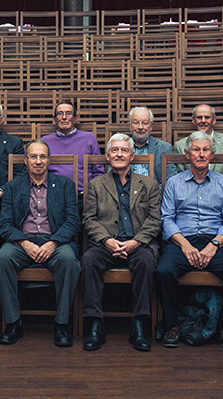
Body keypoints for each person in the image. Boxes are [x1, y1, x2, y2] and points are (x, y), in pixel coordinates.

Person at [156, 131, 223, 349]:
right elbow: (167, 219)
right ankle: (172, 326)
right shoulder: (173, 182)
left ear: (212, 154)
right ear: (188, 154)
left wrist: (213, 245)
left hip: (214, 241)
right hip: (182, 241)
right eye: (196, 150)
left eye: (205, 150)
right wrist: (185, 245)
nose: (201, 154)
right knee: (163, 272)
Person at [0, 139, 81, 347]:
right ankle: (13, 323)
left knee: (70, 261)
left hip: (56, 243)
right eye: (33, 156)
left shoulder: (65, 185)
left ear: (49, 160)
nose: (38, 161)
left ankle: (61, 324)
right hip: (22, 243)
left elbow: (73, 221)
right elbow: (5, 224)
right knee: (2, 260)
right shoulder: (13, 187)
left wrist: (53, 243)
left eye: (43, 156)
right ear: (25, 160)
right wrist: (24, 243)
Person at [82, 133, 161, 352]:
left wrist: (137, 242)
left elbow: (155, 220)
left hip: (138, 244)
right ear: (107, 155)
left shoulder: (149, 185)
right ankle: (94, 325)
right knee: (89, 260)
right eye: (115, 150)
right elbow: (88, 219)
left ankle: (140, 326)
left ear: (132, 156)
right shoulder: (96, 185)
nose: (119, 154)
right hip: (106, 244)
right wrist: (107, 240)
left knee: (146, 262)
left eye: (124, 150)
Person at [41, 101, 104, 194]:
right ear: (54, 119)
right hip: (54, 194)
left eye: (68, 113)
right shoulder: (45, 141)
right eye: (60, 114)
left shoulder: (89, 138)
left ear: (75, 118)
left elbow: (98, 172)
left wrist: (91, 192)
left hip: (83, 194)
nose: (64, 117)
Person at [173, 104, 223, 187]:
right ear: (193, 120)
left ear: (214, 119)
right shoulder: (180, 145)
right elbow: (180, 177)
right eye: (199, 117)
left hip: (220, 194)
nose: (203, 121)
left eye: (207, 117)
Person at [129, 106, 176, 186]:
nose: (140, 127)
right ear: (130, 125)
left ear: (151, 126)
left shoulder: (164, 148)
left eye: (145, 123)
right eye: (136, 122)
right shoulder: (121, 148)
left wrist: (154, 195)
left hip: (155, 195)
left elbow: (171, 179)